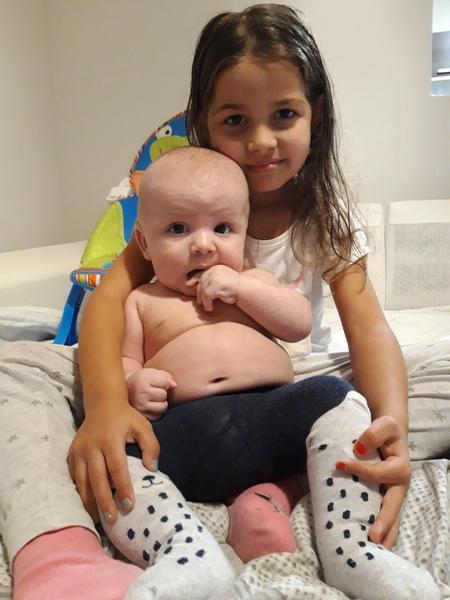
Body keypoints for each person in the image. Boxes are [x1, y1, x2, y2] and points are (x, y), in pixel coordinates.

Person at [0, 4, 441, 600]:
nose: (260, 140)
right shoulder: (176, 206)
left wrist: (393, 425)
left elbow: (370, 333)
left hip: (287, 382)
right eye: (236, 120)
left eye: (284, 114)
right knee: (16, 371)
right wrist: (108, 403)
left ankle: (326, 525)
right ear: (204, 121)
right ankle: (61, 553)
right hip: (171, 403)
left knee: (413, 379)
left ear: (315, 115)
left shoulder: (323, 219)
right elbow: (105, 303)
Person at [100, 146, 439, 600]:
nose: (203, 245)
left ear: (244, 235)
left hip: (271, 418)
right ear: (144, 243)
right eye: (178, 229)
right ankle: (185, 552)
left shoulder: (254, 281)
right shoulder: (142, 301)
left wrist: (243, 289)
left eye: (222, 229)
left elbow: (297, 322)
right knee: (113, 453)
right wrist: (133, 383)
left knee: (335, 397)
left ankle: (351, 550)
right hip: (185, 432)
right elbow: (124, 361)